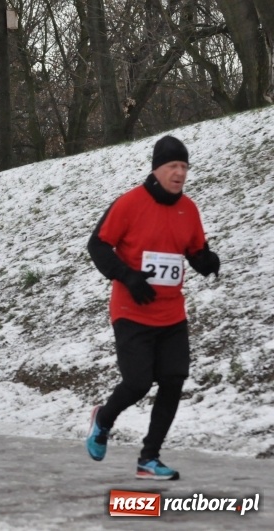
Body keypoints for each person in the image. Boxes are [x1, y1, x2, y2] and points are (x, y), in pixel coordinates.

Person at [86, 135, 220, 480]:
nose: (180, 173)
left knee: (173, 380)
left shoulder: (188, 209)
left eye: (185, 167)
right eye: (173, 166)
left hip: (172, 314)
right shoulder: (129, 204)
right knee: (138, 382)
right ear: (157, 168)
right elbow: (97, 245)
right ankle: (103, 419)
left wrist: (206, 261)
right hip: (131, 311)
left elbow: (194, 250)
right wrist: (127, 276)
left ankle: (149, 458)